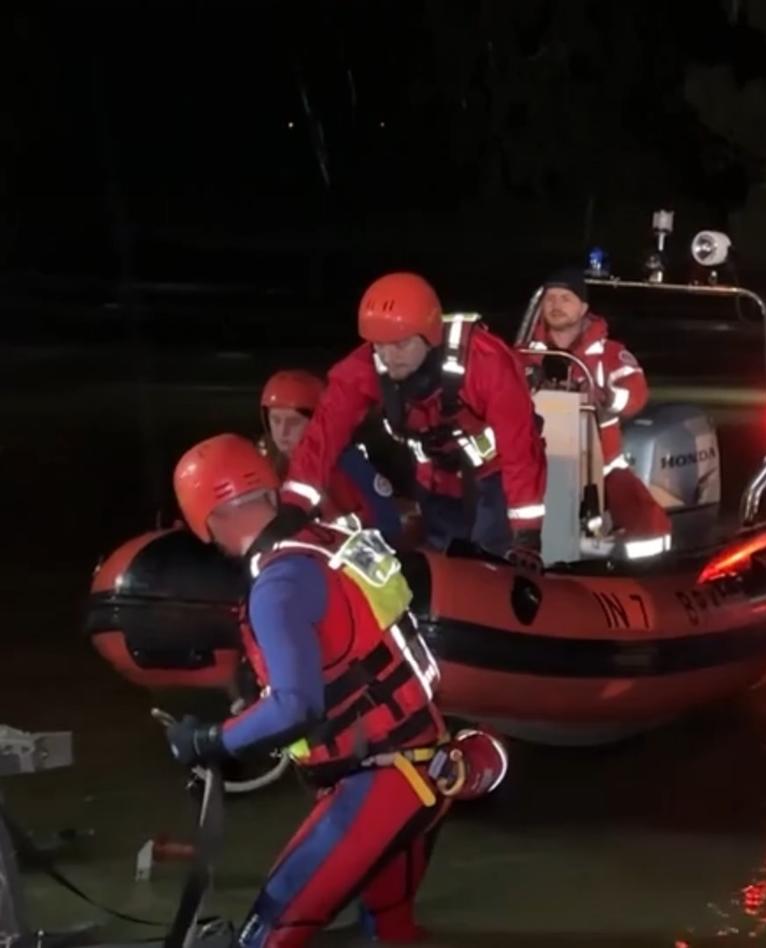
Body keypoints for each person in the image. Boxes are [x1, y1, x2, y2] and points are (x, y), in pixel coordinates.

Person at [164, 433, 452, 947]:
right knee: (391, 926)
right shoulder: (327, 539)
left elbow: (295, 706)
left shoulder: (277, 586)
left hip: (383, 779)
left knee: (274, 928)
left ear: (206, 517)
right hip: (429, 765)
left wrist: (209, 740)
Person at [280, 273, 547, 568]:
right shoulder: (366, 366)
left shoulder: (485, 361)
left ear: (429, 335)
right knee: (442, 564)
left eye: (400, 345)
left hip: (494, 480)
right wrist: (294, 506)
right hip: (434, 481)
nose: (388, 357)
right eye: (379, 345)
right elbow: (324, 433)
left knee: (491, 565)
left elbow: (521, 446)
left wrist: (526, 533)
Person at [524, 269, 671, 559]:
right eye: (550, 298)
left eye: (566, 298)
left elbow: (636, 392)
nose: (556, 305)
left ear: (583, 308)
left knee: (647, 521)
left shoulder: (610, 354)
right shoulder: (525, 354)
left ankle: (641, 580)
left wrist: (606, 396)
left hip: (602, 466)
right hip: (536, 463)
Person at [258, 370, 403, 541]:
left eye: (294, 422)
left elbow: (389, 523)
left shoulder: (349, 464)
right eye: (276, 420)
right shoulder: (261, 464)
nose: (283, 432)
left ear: (318, 424)